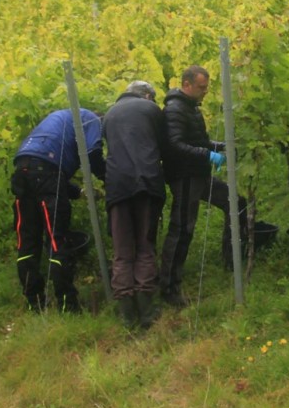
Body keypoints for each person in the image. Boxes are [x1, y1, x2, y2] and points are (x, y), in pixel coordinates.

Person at [159, 65, 248, 307]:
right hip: (185, 177)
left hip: (200, 174)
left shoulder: (192, 109)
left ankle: (232, 260)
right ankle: (169, 288)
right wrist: (207, 155)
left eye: (207, 87)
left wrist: (222, 146)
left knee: (236, 202)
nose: (205, 91)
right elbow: (175, 144)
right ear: (187, 85)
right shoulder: (175, 109)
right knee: (182, 230)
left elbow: (200, 141)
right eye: (201, 87)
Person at [11, 107, 105, 312]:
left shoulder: (62, 118)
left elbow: (49, 174)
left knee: (27, 241)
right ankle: (67, 304)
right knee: (57, 239)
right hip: (46, 172)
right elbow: (93, 153)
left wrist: (79, 192)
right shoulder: (91, 119)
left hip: (22, 171)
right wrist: (108, 177)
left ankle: (34, 303)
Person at [103, 81, 167, 329]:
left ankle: (127, 314)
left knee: (122, 250)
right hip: (147, 183)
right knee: (144, 246)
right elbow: (165, 145)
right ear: (148, 95)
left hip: (117, 186)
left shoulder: (109, 114)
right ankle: (146, 310)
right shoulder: (150, 109)